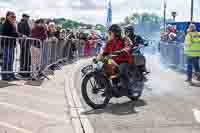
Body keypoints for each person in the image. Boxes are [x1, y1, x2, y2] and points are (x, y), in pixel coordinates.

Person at [98, 24, 133, 95]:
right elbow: (105, 52)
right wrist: (99, 57)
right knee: (104, 68)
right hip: (114, 61)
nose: (109, 34)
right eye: (109, 33)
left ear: (116, 32)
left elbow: (128, 46)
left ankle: (129, 88)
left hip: (124, 60)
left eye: (111, 32)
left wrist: (121, 51)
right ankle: (108, 87)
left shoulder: (125, 39)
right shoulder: (109, 42)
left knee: (121, 69)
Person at [1, 11, 20, 80]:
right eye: (12, 16)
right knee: (7, 60)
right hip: (6, 45)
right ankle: (5, 75)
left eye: (14, 17)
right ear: (7, 16)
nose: (14, 18)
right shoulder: (6, 24)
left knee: (11, 60)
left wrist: (19, 35)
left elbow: (14, 33)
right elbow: (10, 33)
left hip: (11, 45)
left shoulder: (12, 24)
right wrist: (19, 35)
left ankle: (10, 74)